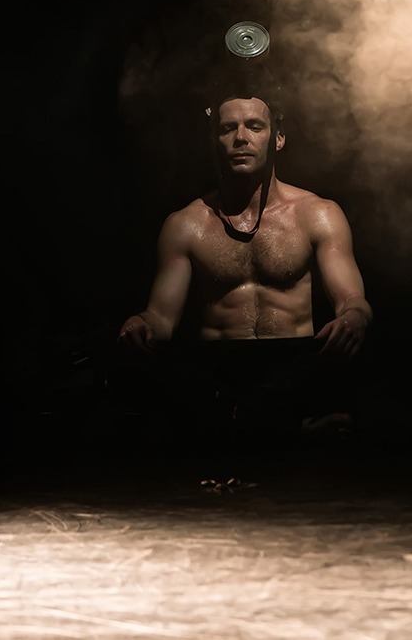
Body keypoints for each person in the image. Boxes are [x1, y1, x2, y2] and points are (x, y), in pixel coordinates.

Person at [117, 68, 373, 463]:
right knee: (151, 378)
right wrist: (141, 323)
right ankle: (288, 432)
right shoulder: (186, 225)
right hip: (218, 374)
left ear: (278, 138)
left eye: (254, 126)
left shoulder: (318, 214)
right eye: (228, 128)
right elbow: (161, 318)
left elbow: (352, 300)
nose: (241, 138)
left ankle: (264, 429)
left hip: (293, 366)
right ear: (214, 140)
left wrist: (354, 317)